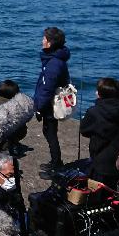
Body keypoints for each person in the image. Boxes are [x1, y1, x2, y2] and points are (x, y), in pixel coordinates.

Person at [79, 78, 119, 187]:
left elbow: (84, 131)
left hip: (100, 162)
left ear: (100, 95)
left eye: (97, 91)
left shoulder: (94, 111)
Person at [34, 26, 71, 179]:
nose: (42, 41)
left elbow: (46, 89)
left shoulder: (53, 64)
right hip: (51, 102)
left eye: (44, 39)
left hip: (51, 105)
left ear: (50, 43)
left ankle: (56, 166)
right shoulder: (56, 59)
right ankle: (55, 161)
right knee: (49, 132)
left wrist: (39, 108)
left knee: (50, 134)